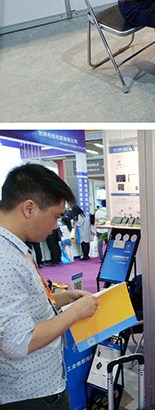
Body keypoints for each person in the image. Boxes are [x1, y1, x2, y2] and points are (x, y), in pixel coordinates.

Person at [0, 163, 100, 408]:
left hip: (40, 384)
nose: (56, 226)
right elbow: (19, 342)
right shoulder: (5, 258)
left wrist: (63, 299)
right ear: (29, 208)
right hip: (28, 395)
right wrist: (76, 313)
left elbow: (21, 303)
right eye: (55, 216)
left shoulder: (16, 247)